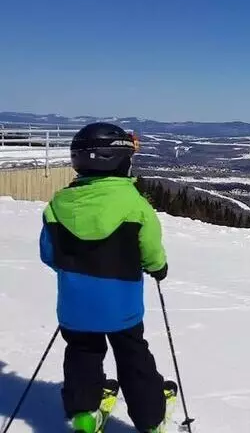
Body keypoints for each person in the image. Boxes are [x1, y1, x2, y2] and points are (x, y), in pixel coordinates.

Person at [39, 122, 170, 433]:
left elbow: (49, 255)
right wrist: (158, 268)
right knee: (133, 357)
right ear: (119, 162)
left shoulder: (58, 205)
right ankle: (151, 420)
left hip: (75, 306)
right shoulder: (134, 205)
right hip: (121, 307)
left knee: (82, 355)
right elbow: (151, 250)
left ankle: (83, 414)